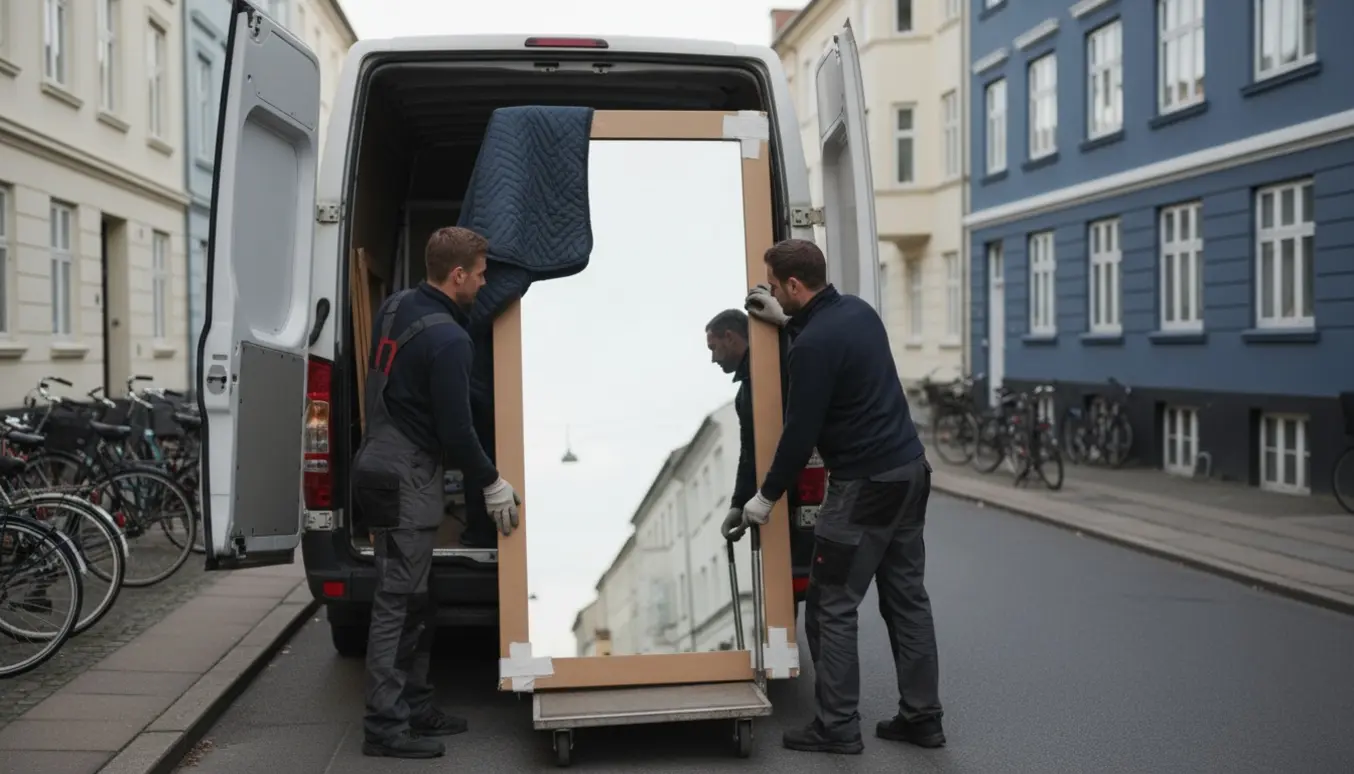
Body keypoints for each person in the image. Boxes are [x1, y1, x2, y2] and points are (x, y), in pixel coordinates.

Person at [738, 238, 945, 755]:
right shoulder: (858, 311)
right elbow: (835, 350)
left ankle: (837, 727)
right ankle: (923, 718)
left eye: (776, 287)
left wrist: (765, 496)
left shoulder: (810, 347)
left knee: (830, 604)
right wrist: (788, 326)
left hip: (864, 486)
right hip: (910, 471)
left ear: (792, 284)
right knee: (907, 599)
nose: (774, 295)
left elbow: (799, 433)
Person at [352, 226, 522, 759]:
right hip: (406, 475)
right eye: (480, 272)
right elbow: (457, 431)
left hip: (379, 457)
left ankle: (416, 705)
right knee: (398, 604)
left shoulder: (398, 305)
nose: (484, 280)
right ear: (458, 275)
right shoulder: (450, 340)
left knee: (419, 600)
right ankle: (384, 726)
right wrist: (492, 482)